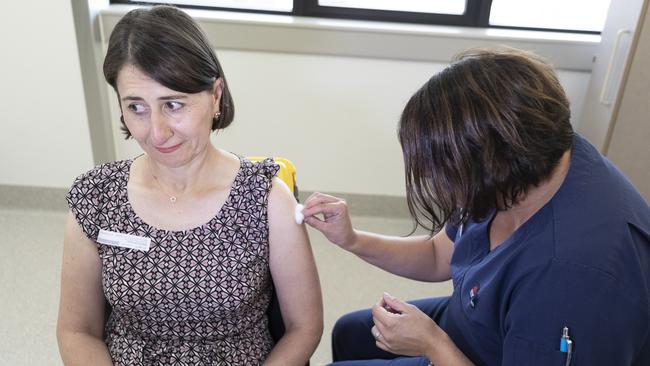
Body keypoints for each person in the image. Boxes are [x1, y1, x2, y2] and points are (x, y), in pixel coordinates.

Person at [302, 47, 650, 365]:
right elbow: (443, 255)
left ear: (491, 167)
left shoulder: (573, 281)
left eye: (447, 175)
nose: (444, 189)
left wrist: (433, 345)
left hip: (485, 351)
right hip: (481, 323)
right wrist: (352, 239)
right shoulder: (536, 152)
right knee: (351, 331)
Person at [56, 5, 322, 365]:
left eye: (174, 104)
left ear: (215, 95)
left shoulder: (266, 199)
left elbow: (303, 327)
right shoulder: (96, 198)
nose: (157, 131)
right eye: (136, 107)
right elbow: (77, 330)